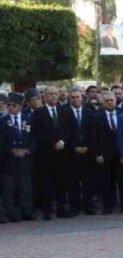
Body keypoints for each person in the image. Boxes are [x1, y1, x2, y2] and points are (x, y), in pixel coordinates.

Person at [31, 86, 67, 220]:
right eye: (50, 94)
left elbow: (67, 130)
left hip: (62, 153)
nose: (53, 96)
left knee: (61, 182)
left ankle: (61, 208)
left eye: (56, 93)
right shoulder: (38, 113)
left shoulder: (64, 111)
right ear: (45, 96)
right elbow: (38, 133)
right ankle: (47, 210)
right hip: (45, 153)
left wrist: (62, 141)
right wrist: (53, 143)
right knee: (46, 183)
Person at [61, 86, 95, 215]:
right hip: (71, 153)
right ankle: (74, 206)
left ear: (82, 99)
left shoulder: (89, 112)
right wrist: (74, 147)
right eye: (73, 98)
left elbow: (93, 133)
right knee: (72, 181)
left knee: (88, 181)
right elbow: (64, 133)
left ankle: (88, 205)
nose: (75, 100)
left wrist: (88, 147)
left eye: (77, 97)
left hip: (87, 152)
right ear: (69, 99)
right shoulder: (64, 113)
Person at [91, 91, 123, 214]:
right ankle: (108, 206)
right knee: (107, 181)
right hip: (105, 154)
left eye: (111, 100)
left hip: (121, 153)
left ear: (116, 100)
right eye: (107, 101)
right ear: (103, 102)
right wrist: (97, 154)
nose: (110, 102)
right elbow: (94, 137)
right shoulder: (97, 116)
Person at [1, 92, 35, 222]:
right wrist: (10, 151)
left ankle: (27, 211)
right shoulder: (2, 121)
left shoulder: (29, 119)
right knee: (9, 189)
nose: (10, 107)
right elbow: (1, 142)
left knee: (25, 188)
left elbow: (34, 139)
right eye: (8, 105)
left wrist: (27, 150)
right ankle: (11, 213)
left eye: (14, 105)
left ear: (21, 106)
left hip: (25, 160)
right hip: (9, 161)